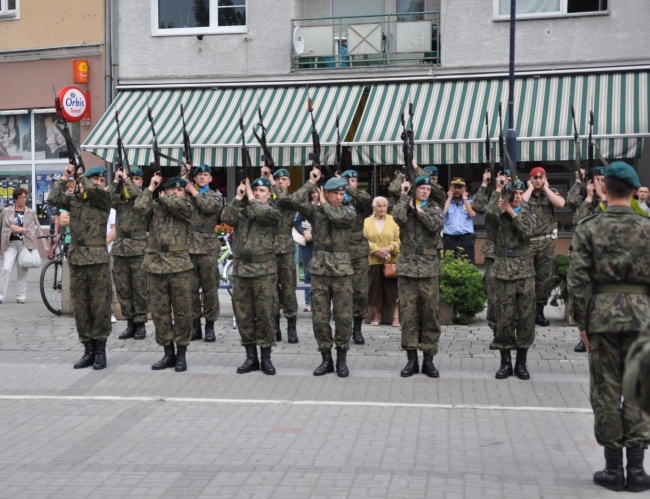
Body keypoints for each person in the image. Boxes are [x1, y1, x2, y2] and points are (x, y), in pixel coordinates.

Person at [568, 161, 650, 492]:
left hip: (602, 318)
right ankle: (638, 471)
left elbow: (578, 280)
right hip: (643, 319)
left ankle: (613, 469)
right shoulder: (648, 228)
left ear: (604, 189)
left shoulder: (589, 227)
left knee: (606, 390)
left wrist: (582, 322)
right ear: (634, 191)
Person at [48, 165, 112, 370]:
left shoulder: (103, 200)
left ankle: (100, 350)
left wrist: (81, 177)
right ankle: (88, 350)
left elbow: (93, 192)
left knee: (100, 307)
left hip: (97, 261)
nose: (99, 184)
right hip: (77, 260)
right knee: (81, 307)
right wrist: (65, 177)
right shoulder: (75, 200)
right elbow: (53, 199)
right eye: (96, 180)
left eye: (102, 180)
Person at [293, 169, 355, 377]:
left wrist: (324, 204)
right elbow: (292, 202)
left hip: (341, 271)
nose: (340, 197)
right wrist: (310, 183)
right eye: (335, 193)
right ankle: (326, 358)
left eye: (342, 193)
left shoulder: (348, 211)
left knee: (344, 316)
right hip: (320, 269)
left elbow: (337, 217)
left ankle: (342, 359)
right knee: (320, 317)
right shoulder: (315, 210)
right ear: (325, 193)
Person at [134, 175, 194, 372]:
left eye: (180, 190)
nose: (177, 193)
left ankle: (182, 354)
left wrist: (165, 197)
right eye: (172, 190)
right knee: (160, 313)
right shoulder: (156, 206)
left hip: (179, 267)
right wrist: (151, 187)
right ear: (166, 190)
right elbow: (139, 208)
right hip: (156, 266)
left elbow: (181, 208)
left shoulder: (187, 205)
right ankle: (168, 352)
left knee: (183, 312)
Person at [221, 177, 281, 375]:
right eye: (254, 190)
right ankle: (250, 357)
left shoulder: (272, 211)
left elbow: (262, 212)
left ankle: (266, 357)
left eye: (262, 190)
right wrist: (238, 197)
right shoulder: (245, 210)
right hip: (241, 270)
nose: (256, 193)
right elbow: (227, 217)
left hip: (264, 271)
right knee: (244, 315)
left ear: (269, 193)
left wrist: (249, 197)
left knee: (265, 315)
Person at [393, 175, 445, 378]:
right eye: (421, 188)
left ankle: (429, 360)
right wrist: (404, 196)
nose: (425, 191)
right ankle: (411, 359)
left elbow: (436, 225)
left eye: (428, 188)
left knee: (431, 315)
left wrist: (419, 211)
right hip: (407, 269)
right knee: (408, 316)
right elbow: (397, 218)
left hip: (429, 269)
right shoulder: (404, 204)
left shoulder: (433, 207)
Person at [488, 176, 536, 381]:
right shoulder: (498, 212)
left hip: (524, 271)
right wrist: (498, 190)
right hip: (503, 272)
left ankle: (522, 363)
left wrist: (512, 213)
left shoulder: (527, 212)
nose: (517, 197)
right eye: (513, 194)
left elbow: (528, 232)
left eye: (519, 193)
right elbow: (487, 212)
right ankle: (505, 362)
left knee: (525, 318)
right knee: (504, 318)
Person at [184, 164, 224, 343]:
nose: (201, 177)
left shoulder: (215, 196)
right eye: (198, 174)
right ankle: (195, 327)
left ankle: (210, 326)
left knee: (210, 290)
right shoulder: (187, 193)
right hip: (189, 247)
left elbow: (208, 208)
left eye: (205, 175)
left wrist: (193, 191)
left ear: (210, 178)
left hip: (207, 248)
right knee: (190, 290)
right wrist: (184, 173)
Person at [109, 168, 150, 340]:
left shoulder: (144, 196)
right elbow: (108, 199)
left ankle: (140, 323)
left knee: (139, 288)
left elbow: (140, 201)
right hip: (120, 248)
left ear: (141, 182)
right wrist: (116, 181)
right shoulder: (121, 198)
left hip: (138, 248)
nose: (133, 181)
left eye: (137, 179)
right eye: (132, 178)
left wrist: (127, 181)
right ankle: (130, 323)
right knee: (123, 288)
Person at [522, 166, 565, 327]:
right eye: (535, 178)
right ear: (530, 179)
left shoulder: (551, 191)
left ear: (545, 178)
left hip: (546, 242)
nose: (538, 180)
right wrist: (530, 188)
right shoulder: (525, 192)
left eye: (541, 178)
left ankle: (539, 311)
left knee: (545, 279)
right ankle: (526, 312)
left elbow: (560, 203)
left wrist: (546, 189)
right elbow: (520, 204)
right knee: (526, 278)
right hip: (528, 242)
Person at [264, 167, 299, 344]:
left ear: (289, 182)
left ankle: (291, 327)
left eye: (284, 179)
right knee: (271, 291)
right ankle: (275, 327)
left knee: (289, 290)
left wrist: (271, 182)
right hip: (269, 250)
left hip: (285, 250)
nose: (280, 182)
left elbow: (285, 200)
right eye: (277, 179)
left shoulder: (290, 199)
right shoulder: (267, 200)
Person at [340, 169, 373, 345]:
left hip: (358, 249)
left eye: (353, 180)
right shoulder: (335, 197)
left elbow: (367, 200)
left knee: (360, 291)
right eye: (348, 180)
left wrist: (349, 188)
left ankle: (358, 328)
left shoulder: (358, 199)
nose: (351, 183)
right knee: (342, 292)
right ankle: (342, 326)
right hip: (340, 249)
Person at [0, 188, 45, 304]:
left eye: (25, 197)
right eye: (21, 198)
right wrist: (17, 230)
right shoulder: (7, 211)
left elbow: (29, 230)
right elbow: (5, 229)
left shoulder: (30, 212)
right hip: (10, 244)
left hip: (25, 244)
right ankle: (1, 296)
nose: (23, 200)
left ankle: (21, 297)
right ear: (15, 198)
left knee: (22, 271)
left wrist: (15, 229)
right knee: (6, 268)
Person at [471, 170, 500, 348]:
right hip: (493, 253)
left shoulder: (520, 196)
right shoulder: (493, 196)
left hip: (515, 257)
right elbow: (478, 207)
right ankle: (497, 331)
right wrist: (485, 184)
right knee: (493, 296)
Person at [364, 196, 400, 327]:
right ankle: (377, 316)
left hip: (391, 260)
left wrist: (389, 249)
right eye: (379, 206)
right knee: (375, 290)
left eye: (384, 206)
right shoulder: (367, 221)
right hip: (374, 260)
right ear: (374, 207)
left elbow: (398, 239)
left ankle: (395, 318)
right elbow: (365, 239)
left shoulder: (393, 220)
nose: (382, 208)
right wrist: (376, 250)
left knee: (393, 290)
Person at [293, 188, 319, 312]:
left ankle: (320, 303)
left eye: (318, 192)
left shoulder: (326, 207)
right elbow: (297, 223)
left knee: (321, 273)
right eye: (313, 192)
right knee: (308, 273)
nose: (315, 195)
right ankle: (309, 303)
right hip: (307, 243)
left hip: (321, 244)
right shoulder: (305, 208)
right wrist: (304, 232)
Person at [442, 176, 477, 264]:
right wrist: (449, 198)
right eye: (455, 187)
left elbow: (472, 214)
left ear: (464, 189)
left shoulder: (470, 201)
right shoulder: (446, 202)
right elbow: (442, 214)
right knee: (448, 266)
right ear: (451, 188)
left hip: (466, 239)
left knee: (468, 266)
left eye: (460, 187)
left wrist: (465, 198)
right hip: (449, 239)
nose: (457, 190)